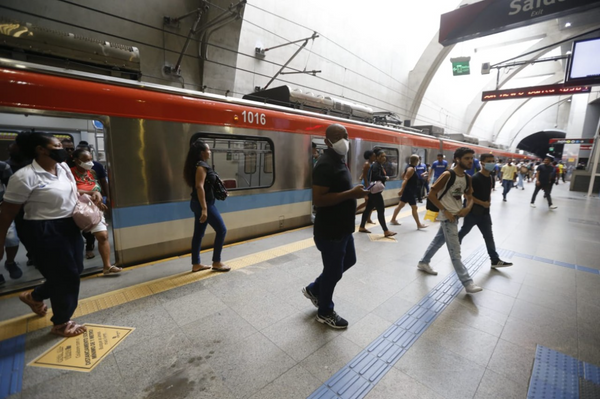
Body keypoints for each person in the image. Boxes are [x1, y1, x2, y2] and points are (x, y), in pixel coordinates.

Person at [0, 132, 87, 336]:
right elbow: (6, 214)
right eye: (57, 145)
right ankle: (61, 322)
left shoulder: (63, 168)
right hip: (43, 229)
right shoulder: (24, 177)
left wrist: (90, 195)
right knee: (66, 276)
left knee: (74, 271)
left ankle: (34, 296)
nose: (64, 149)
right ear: (41, 149)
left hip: (69, 225)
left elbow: (70, 193)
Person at [301, 124, 368, 329]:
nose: (344, 140)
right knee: (333, 271)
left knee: (349, 260)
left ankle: (314, 289)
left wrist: (361, 194)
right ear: (328, 141)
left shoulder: (340, 160)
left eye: (345, 135)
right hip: (330, 231)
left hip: (343, 228)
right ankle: (325, 311)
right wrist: (351, 194)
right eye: (338, 137)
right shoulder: (325, 163)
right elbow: (319, 200)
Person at [416, 147, 483, 294]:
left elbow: (470, 197)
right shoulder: (447, 175)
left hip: (457, 215)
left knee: (439, 240)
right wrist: (445, 211)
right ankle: (467, 282)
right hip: (448, 217)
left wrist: (467, 208)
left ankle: (423, 262)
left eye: (471, 158)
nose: (470, 161)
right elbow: (432, 194)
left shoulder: (467, 178)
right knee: (455, 251)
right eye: (467, 158)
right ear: (457, 159)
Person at [70, 149, 122, 275]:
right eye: (86, 160)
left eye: (90, 159)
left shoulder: (92, 172)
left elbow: (98, 186)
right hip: (75, 209)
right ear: (77, 161)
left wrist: (99, 198)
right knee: (73, 240)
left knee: (103, 236)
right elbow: (70, 191)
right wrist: (92, 193)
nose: (90, 162)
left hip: (93, 208)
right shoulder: (69, 173)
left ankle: (107, 266)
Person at [458, 154, 513, 268]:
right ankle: (454, 251)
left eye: (493, 161)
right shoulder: (475, 178)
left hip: (485, 214)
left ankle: (495, 260)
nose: (492, 163)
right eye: (489, 161)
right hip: (473, 213)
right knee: (463, 232)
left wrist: (487, 203)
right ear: (481, 163)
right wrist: (483, 203)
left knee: (489, 236)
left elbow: (487, 193)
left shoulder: (490, 177)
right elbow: (468, 196)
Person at [184, 139, 229, 273]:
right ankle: (216, 262)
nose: (210, 152)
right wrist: (204, 209)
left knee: (198, 233)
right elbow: (199, 187)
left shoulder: (197, 165)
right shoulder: (201, 166)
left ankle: (196, 264)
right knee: (222, 230)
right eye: (208, 149)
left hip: (197, 203)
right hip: (204, 204)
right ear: (202, 152)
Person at [358, 149, 396, 237]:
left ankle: (362, 226)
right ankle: (386, 231)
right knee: (381, 210)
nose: (384, 158)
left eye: (385, 156)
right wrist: (384, 177)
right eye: (382, 156)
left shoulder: (377, 165)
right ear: (377, 157)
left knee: (368, 209)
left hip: (372, 191)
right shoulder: (376, 165)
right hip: (375, 192)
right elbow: (374, 177)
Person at [390, 154, 427, 229]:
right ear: (416, 161)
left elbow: (403, 175)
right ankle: (419, 224)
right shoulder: (411, 169)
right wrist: (401, 190)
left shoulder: (408, 167)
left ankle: (393, 219)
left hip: (408, 190)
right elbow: (405, 179)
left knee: (401, 205)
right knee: (414, 207)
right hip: (409, 191)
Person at [356, 150, 376, 223]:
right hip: (367, 185)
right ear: (370, 157)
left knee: (369, 203)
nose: (375, 157)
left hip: (369, 184)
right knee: (368, 203)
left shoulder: (371, 164)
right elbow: (364, 176)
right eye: (373, 156)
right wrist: (367, 188)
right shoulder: (367, 164)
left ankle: (368, 218)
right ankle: (354, 211)